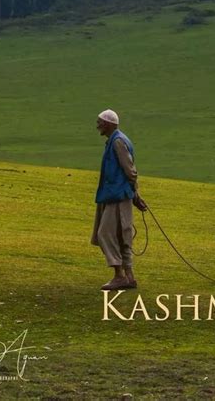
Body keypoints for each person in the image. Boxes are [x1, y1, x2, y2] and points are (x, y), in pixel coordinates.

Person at [91, 108, 139, 291]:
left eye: (100, 122)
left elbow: (130, 170)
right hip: (114, 194)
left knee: (105, 234)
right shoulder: (115, 140)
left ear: (109, 124)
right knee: (121, 236)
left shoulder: (117, 142)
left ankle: (119, 276)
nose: (98, 126)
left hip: (116, 196)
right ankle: (129, 277)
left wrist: (135, 194)